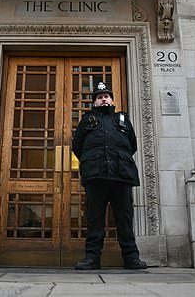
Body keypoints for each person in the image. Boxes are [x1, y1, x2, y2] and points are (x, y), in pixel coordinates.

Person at [72, 82, 147, 270]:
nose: (103, 99)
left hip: (121, 175)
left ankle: (131, 258)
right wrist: (93, 161)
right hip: (96, 176)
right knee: (94, 219)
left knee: (124, 219)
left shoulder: (122, 119)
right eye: (99, 97)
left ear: (112, 100)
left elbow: (132, 145)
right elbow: (77, 146)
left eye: (106, 96)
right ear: (95, 102)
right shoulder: (86, 120)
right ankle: (92, 259)